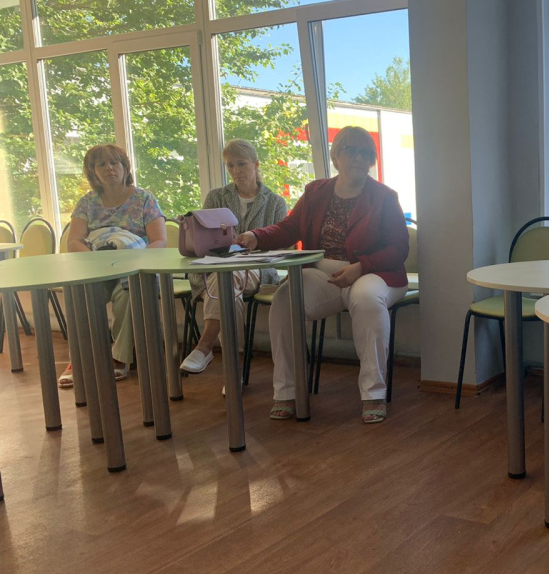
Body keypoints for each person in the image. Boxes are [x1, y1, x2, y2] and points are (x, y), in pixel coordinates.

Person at [236, 126, 409, 423]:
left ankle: (373, 394)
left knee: (367, 299)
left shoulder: (384, 197)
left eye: (365, 153)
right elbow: (288, 228)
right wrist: (256, 236)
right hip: (324, 274)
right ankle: (286, 391)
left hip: (374, 273)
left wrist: (361, 267)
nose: (358, 158)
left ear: (372, 160)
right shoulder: (315, 192)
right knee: (284, 301)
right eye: (350, 151)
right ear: (336, 156)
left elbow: (398, 249)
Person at [60, 144, 167, 386]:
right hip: (98, 265)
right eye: (102, 164)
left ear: (125, 167)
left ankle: (120, 357)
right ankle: (80, 358)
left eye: (114, 163)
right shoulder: (87, 203)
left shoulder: (144, 199)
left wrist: (134, 261)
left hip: (135, 268)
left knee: (127, 294)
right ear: (93, 171)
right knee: (81, 294)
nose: (109, 168)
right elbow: (74, 241)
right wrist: (98, 260)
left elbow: (159, 241)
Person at [179, 139, 288, 375]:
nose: (236, 171)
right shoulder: (216, 197)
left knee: (228, 277)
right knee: (228, 283)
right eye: (230, 165)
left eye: (241, 164)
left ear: (256, 164)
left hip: (257, 270)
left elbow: (282, 243)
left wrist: (255, 241)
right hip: (216, 268)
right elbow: (204, 238)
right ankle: (234, 370)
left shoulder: (275, 202)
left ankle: (205, 346)